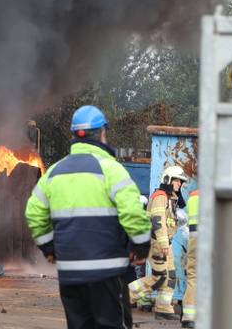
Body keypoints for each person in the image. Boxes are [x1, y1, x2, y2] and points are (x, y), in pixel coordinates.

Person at [26, 106, 152, 329]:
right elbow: (133, 212)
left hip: (70, 275)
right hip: (107, 273)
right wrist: (141, 246)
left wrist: (49, 248)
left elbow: (34, 212)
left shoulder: (54, 172)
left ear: (75, 135)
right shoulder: (111, 170)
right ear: (102, 133)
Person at [128, 165, 187, 319]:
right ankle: (123, 297)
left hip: (165, 243)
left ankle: (163, 309)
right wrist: (163, 245)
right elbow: (157, 222)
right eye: (177, 181)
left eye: (180, 182)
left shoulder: (170, 198)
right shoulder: (161, 196)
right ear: (168, 180)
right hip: (158, 244)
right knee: (159, 277)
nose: (179, 184)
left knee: (170, 276)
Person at [182, 187, 199, 327]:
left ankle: (188, 317)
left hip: (194, 240)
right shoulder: (216, 193)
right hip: (213, 238)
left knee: (193, 277)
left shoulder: (193, 196)